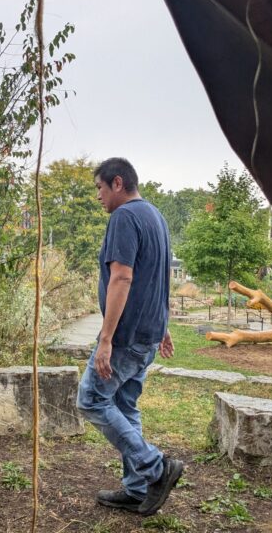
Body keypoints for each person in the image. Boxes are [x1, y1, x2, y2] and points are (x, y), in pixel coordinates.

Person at [76, 158, 183, 516]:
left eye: (99, 188)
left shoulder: (124, 217)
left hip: (126, 337)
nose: (98, 197)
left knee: (91, 398)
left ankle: (155, 469)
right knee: (123, 405)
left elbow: (122, 278)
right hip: (147, 334)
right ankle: (137, 488)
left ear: (117, 183)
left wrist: (106, 339)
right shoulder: (155, 216)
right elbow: (161, 275)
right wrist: (163, 325)